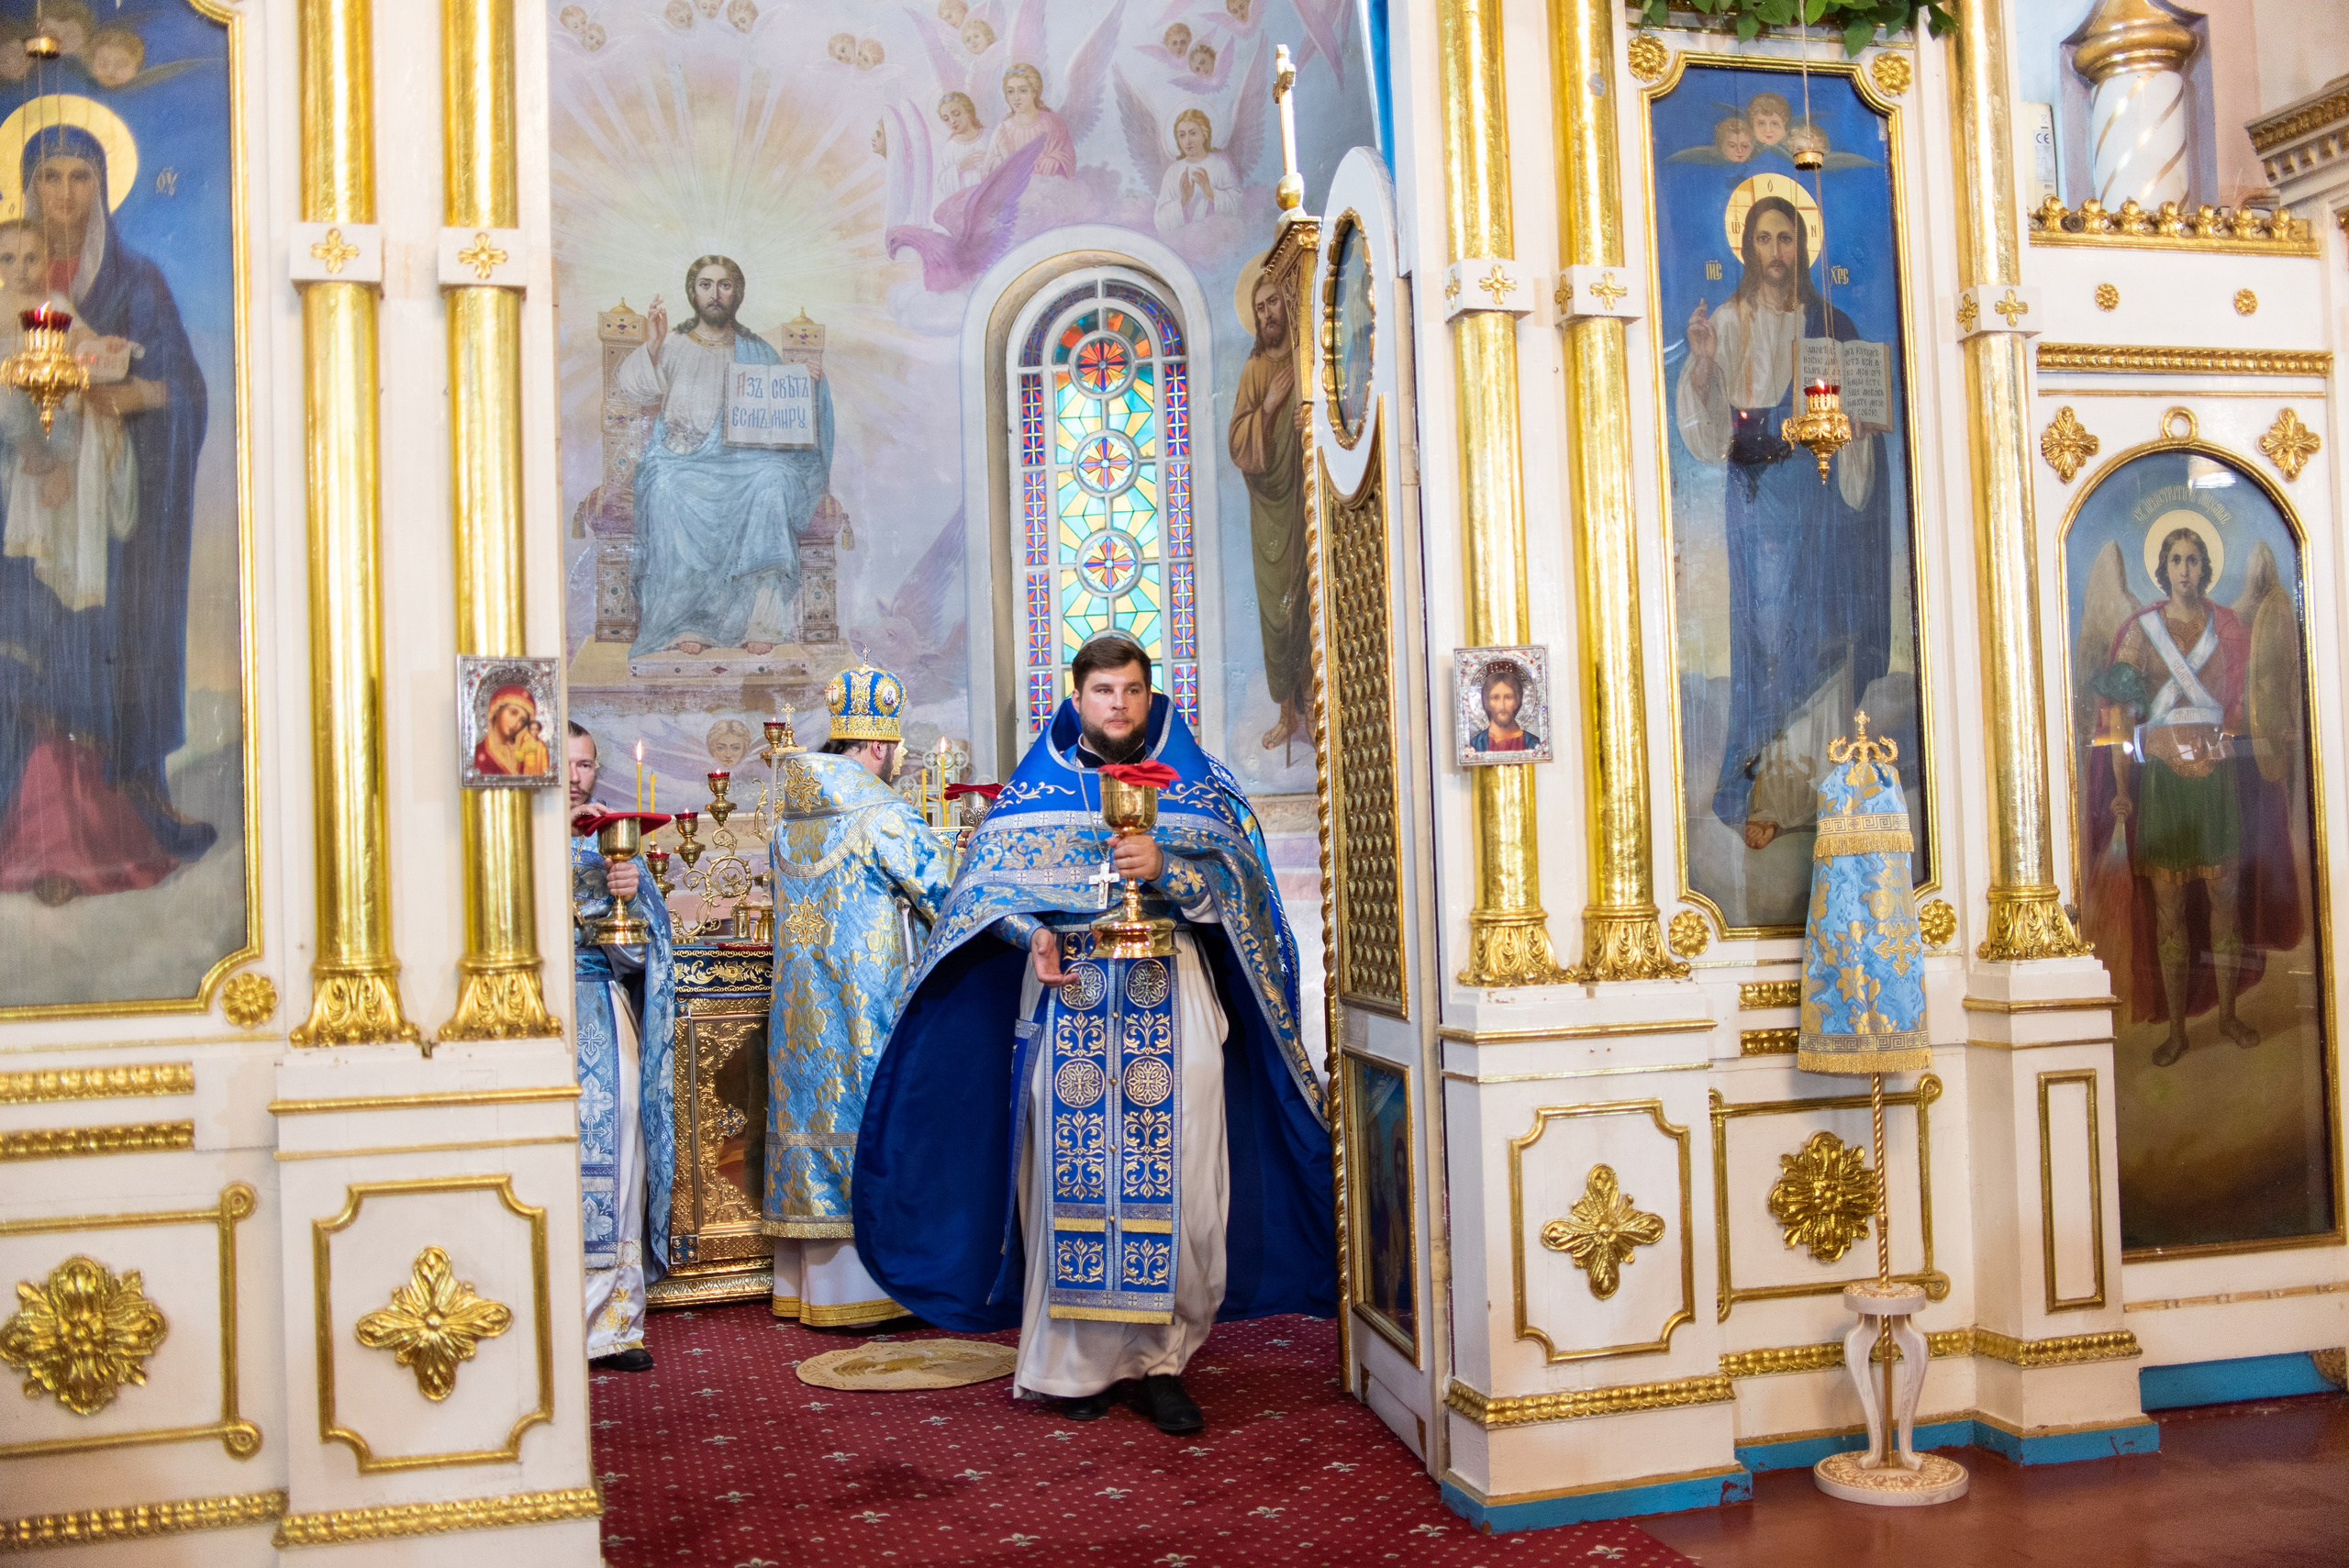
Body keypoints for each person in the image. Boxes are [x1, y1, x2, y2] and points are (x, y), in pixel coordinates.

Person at [854, 633, 1333, 1436]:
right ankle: (1074, 1365)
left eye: (1133, 690)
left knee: (1185, 1177)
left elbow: (1247, 896)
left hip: (1172, 989)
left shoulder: (1198, 784)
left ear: (1150, 696)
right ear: (1077, 698)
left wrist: (1171, 870)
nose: (1119, 704)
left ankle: (1162, 1363)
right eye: (1104, 691)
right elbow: (980, 897)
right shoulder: (1033, 789)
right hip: (1071, 994)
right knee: (1069, 1177)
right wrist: (1032, 935)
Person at [0, 122, 215, 906]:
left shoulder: (135, 282)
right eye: (49, 176)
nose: (64, 193)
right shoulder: (6, 285)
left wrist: (132, 394)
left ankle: (100, 833)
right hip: (20, 517)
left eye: (80, 176)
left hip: (109, 528)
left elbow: (184, 389)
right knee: (24, 656)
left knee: (96, 658)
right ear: (27, 187)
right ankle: (25, 833)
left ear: (102, 187)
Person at [1675, 195, 1890, 851]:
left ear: (1802, 248)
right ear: (1748, 247)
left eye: (1787, 239)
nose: (1776, 252)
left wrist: (1858, 431)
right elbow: (1709, 437)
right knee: (1769, 637)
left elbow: (1861, 417)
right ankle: (1761, 790)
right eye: (1765, 239)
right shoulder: (1727, 322)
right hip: (1759, 499)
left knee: (1824, 630)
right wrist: (1704, 363)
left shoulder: (1832, 323)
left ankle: (1825, 786)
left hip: (1822, 501)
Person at [763, 665, 956, 1326]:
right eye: (896, 750)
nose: (898, 762)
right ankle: (871, 1292)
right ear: (878, 746)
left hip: (800, 1017)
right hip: (866, 1007)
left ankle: (808, 1288)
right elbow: (946, 895)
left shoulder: (788, 817)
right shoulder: (884, 814)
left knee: (814, 1119)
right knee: (872, 1118)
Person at [2090, 525, 2297, 1066]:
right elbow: (2119, 716)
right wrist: (2121, 789)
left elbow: (2253, 699)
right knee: (2171, 911)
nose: (2185, 570)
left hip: (2216, 780)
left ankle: (2227, 1015)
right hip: (2162, 784)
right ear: (2164, 569)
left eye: (2193, 560)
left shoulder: (2227, 625)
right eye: (2176, 560)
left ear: (2205, 568)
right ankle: (2179, 1031)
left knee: (2226, 901)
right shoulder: (2141, 631)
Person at [615, 254, 835, 660]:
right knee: (665, 489)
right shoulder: (673, 344)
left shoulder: (757, 350)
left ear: (737, 293)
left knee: (773, 481)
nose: (715, 294)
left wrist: (805, 379)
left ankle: (761, 623)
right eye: (706, 285)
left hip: (743, 464)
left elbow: (783, 414)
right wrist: (654, 344)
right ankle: (685, 621)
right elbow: (633, 389)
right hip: (682, 459)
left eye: (724, 285)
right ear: (693, 292)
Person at [569, 722, 678, 1372]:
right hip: (532, 1013)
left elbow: (645, 957)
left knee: (618, 1155)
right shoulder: (513, 837)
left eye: (586, 764)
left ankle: (613, 1325)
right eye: (566, 763)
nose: (576, 776)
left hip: (601, 1013)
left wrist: (632, 903)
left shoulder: (614, 845)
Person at [1230, 263, 1308, 751]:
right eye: (1259, 308)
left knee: (1311, 603)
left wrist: (1308, 419)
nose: (1266, 314)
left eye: (1273, 302)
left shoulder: (1309, 358)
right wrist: (1272, 405)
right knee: (1277, 611)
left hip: (1309, 503)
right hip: (1269, 509)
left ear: (1288, 304)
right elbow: (1239, 443)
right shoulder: (1255, 370)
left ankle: (1318, 709)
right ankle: (1287, 715)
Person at [1152, 108, 1241, 231]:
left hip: (1217, 235)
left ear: (1204, 135)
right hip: (1184, 237)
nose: (1187, 141)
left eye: (1193, 133)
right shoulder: (1173, 171)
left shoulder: (1220, 165)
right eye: (1182, 135)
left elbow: (1239, 205)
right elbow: (1159, 220)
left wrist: (1211, 193)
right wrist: (1183, 201)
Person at [985, 63, 1074, 179]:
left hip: (1048, 186)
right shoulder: (1002, 130)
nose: (1016, 98)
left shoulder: (1052, 123)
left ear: (1034, 92)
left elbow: (1069, 158)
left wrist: (1055, 159)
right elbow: (987, 170)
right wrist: (1003, 161)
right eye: (1010, 92)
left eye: (1023, 91)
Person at [472, 685, 548, 776]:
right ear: (496, 709)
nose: (515, 723)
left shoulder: (524, 754)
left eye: (522, 720)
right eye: (513, 712)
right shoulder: (478, 754)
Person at [1468, 661, 1539, 753]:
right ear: (1487, 703)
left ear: (1517, 701)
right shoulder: (1475, 746)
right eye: (1495, 698)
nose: (1502, 706)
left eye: (1508, 697)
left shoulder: (1533, 744)